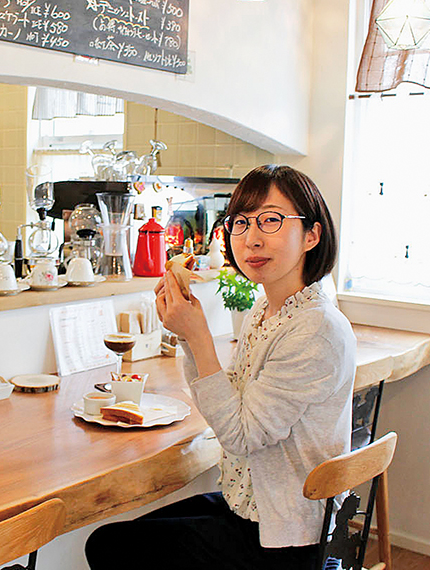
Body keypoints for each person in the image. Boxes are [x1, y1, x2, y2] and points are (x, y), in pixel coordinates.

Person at [84, 165, 357, 570]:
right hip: (251, 504)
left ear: (312, 235)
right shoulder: (269, 306)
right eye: (240, 223)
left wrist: (197, 337)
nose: (252, 238)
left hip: (283, 537)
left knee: (110, 547)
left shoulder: (315, 328)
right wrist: (186, 333)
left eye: (271, 220)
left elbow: (242, 436)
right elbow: (237, 400)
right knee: (109, 540)